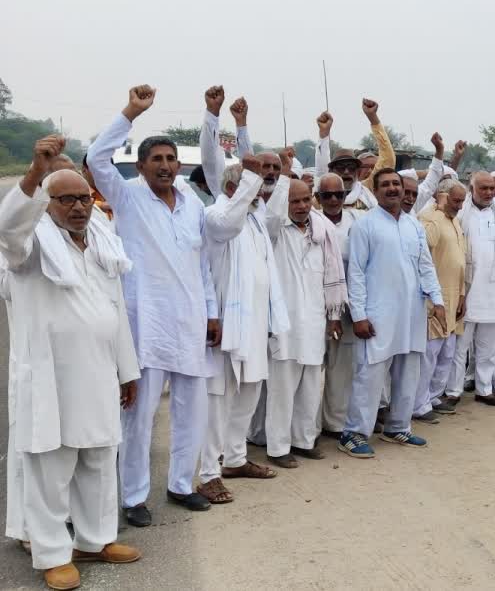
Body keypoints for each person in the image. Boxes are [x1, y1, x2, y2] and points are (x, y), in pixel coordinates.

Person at [1, 137, 143, 590]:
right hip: (52, 378)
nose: (79, 207)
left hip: (100, 372)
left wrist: (128, 370)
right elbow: (7, 228)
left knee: (100, 460)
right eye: (67, 199)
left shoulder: (102, 241)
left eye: (84, 197)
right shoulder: (30, 247)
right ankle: (51, 554)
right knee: (52, 469)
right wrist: (32, 174)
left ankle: (95, 539)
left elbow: (116, 310)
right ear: (48, 203)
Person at [87, 85, 219, 526]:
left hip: (189, 323)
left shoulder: (192, 207)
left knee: (191, 412)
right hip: (145, 324)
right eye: (155, 159)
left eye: (170, 159)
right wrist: (130, 111)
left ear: (178, 167)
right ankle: (133, 497)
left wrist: (212, 311)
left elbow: (201, 266)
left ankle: (183, 485)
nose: (164, 165)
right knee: (139, 416)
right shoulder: (126, 196)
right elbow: (96, 159)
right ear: (140, 166)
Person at [197, 96, 293, 504]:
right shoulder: (218, 216)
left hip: (256, 324)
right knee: (218, 402)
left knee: (249, 393)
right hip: (226, 325)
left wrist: (282, 176)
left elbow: (276, 207)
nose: (259, 189)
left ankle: (235, 458)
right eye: (250, 185)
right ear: (234, 188)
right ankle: (206, 471)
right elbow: (216, 168)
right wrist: (216, 118)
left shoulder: (255, 218)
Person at [341, 170, 445, 458]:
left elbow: (426, 266)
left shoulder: (414, 226)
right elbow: (356, 273)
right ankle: (354, 432)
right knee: (370, 375)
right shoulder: (365, 226)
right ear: (375, 190)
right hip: (377, 315)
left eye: (395, 184)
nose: (392, 189)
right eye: (385, 185)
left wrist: (437, 300)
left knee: (409, 371)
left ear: (403, 189)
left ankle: (398, 425)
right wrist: (359, 315)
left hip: (411, 314)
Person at [264, 179, 347, 468]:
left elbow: (331, 276)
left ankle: (304, 440)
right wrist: (284, 176)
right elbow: (271, 213)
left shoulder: (323, 231)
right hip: (283, 324)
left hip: (314, 321)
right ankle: (277, 448)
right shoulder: (273, 230)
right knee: (282, 389)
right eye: (293, 201)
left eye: (304, 200)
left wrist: (333, 317)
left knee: (311, 386)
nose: (300, 206)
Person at [449, 171, 495, 406]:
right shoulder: (460, 214)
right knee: (460, 345)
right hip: (466, 290)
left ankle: (484, 389)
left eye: (492, 188)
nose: (489, 192)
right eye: (484, 188)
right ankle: (453, 391)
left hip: (494, 288)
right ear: (472, 189)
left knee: (489, 345)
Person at [315, 170, 361, 437]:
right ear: (318, 197)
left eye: (338, 194)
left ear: (346, 196)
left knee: (340, 367)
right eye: (327, 195)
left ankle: (335, 423)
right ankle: (305, 427)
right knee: (310, 370)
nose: (333, 199)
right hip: (314, 304)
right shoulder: (312, 221)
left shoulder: (357, 220)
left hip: (345, 306)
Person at [417, 180, 467, 416]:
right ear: (443, 196)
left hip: (454, 295)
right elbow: (428, 242)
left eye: (462, 201)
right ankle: (419, 403)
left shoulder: (456, 220)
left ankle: (435, 396)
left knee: (448, 352)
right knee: (430, 353)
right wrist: (438, 208)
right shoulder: (427, 217)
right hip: (435, 297)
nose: (459, 206)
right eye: (455, 200)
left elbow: (460, 260)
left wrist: (462, 294)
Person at [314, 100, 396, 210]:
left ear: (357, 172)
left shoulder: (367, 188)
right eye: (341, 168)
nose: (346, 172)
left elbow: (388, 159)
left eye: (351, 168)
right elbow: (322, 170)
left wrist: (373, 117)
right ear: (332, 171)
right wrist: (324, 134)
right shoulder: (322, 197)